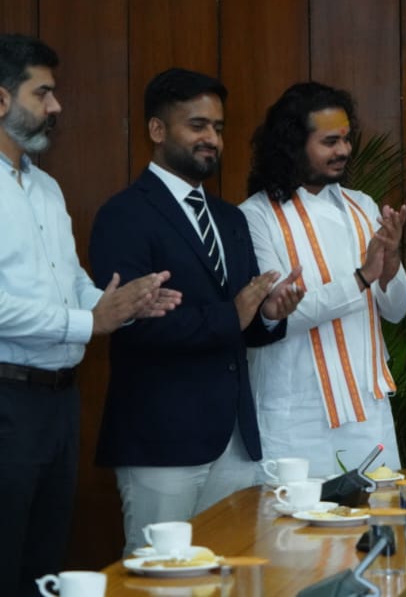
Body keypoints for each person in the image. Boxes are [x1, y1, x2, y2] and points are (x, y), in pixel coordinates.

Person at [90, 68, 304, 553]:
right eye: (197, 125)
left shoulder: (230, 219)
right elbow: (133, 324)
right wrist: (235, 314)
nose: (212, 138)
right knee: (160, 575)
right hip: (161, 440)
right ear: (157, 129)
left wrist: (269, 313)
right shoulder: (124, 215)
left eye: (219, 128)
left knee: (230, 574)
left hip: (235, 440)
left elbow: (245, 325)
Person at [0, 36, 179, 597]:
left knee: (43, 559)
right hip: (6, 399)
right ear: (1, 100)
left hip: (58, 403)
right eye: (42, 93)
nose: (55, 106)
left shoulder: (46, 187)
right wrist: (91, 323)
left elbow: (71, 280)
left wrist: (121, 305)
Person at [240, 83, 406, 477]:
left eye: (347, 139)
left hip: (368, 409)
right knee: (295, 517)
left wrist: (389, 266)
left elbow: (397, 311)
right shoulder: (256, 215)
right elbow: (280, 319)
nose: (344, 150)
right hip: (295, 413)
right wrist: (362, 278)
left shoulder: (362, 205)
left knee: (378, 513)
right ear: (293, 145)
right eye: (330, 141)